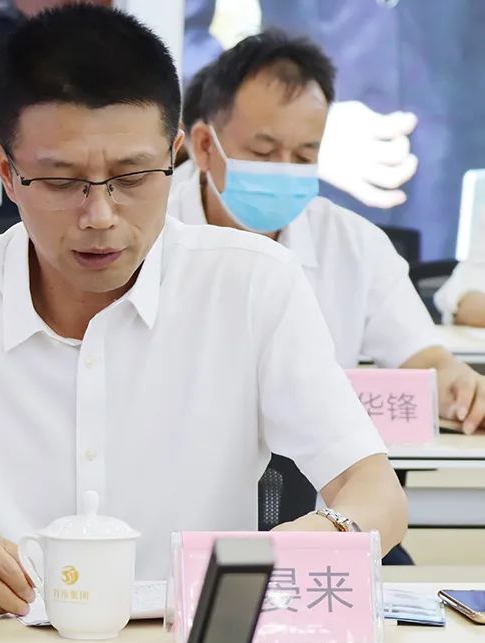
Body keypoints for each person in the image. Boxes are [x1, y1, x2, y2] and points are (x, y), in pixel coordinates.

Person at [0, 5, 406, 616]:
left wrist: (314, 538)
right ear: (6, 170)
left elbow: (376, 493)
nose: (100, 216)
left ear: (175, 154)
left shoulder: (252, 285)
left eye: (133, 178)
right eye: (61, 182)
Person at [169, 31, 485, 436]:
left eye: (305, 155)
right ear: (204, 145)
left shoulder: (356, 245)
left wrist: (459, 387)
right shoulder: (148, 231)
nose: (285, 168)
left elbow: (424, 360)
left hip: (316, 473)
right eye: (263, 152)